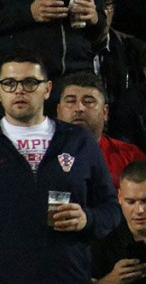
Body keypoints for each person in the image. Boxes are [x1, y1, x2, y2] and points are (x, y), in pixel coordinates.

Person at [0, 53, 120, 283]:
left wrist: (87, 219)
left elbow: (111, 209)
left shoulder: (78, 141)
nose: (19, 90)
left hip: (67, 276)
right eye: (9, 83)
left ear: (47, 89)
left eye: (29, 82)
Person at [55, 72, 146, 190]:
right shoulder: (40, 154)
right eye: (71, 101)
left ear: (105, 112)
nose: (79, 108)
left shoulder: (130, 156)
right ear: (58, 111)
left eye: (89, 101)